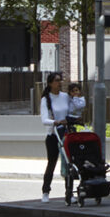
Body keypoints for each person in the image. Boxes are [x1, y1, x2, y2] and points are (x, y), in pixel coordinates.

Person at [37, 72, 73, 200]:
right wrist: (56, 122)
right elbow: (44, 119)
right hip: (53, 134)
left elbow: (71, 110)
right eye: (57, 80)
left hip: (66, 134)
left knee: (68, 163)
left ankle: (69, 192)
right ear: (51, 83)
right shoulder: (46, 99)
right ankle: (46, 191)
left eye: (61, 80)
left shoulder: (65, 97)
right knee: (52, 163)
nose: (60, 83)